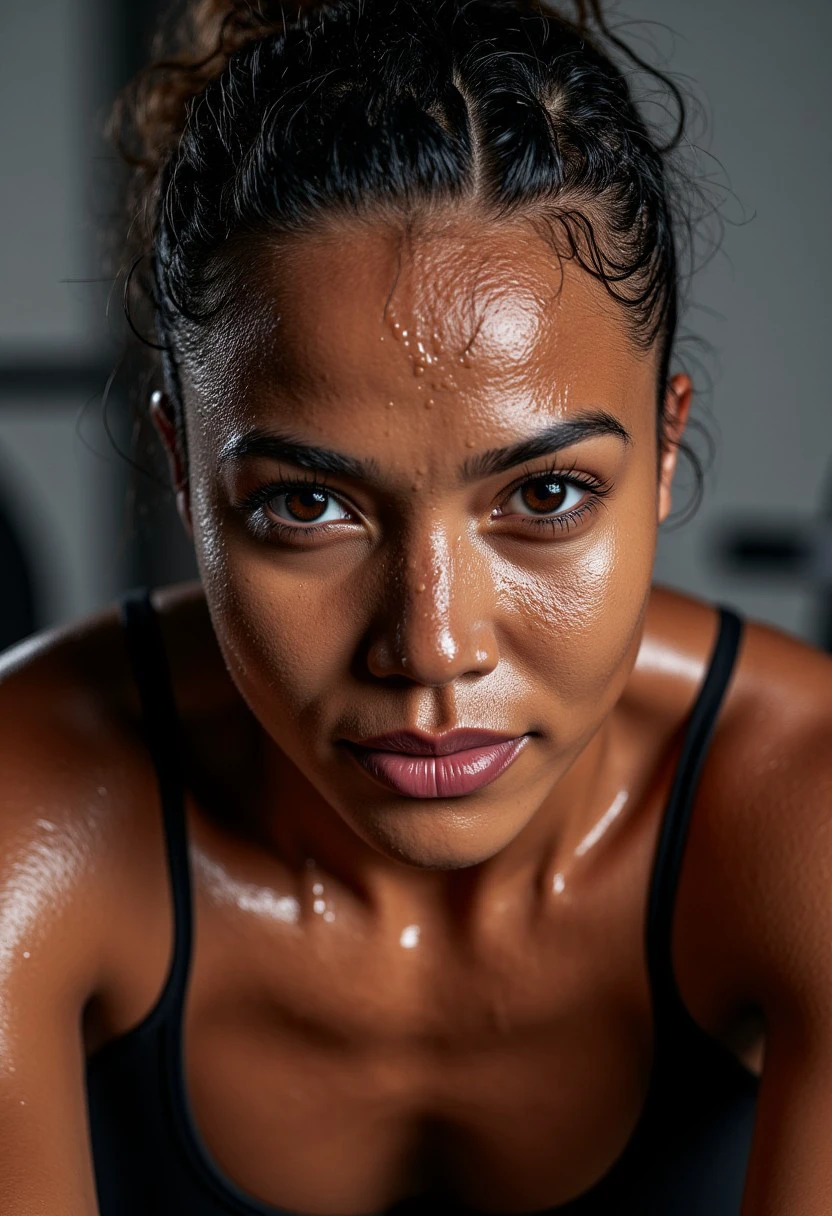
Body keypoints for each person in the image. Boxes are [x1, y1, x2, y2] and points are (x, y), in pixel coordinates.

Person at [1, 0, 830, 1213]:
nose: (432, 648)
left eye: (543, 493)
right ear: (182, 473)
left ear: (663, 451)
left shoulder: (803, 814)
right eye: (306, 507)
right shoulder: (30, 809)